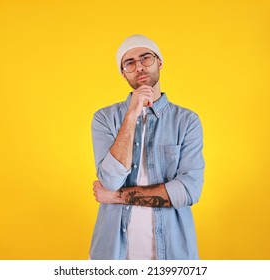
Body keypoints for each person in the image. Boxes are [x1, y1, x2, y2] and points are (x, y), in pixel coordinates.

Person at [89, 34, 205, 260]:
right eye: (129, 63)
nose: (139, 67)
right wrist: (132, 114)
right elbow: (110, 180)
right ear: (123, 73)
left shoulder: (187, 121)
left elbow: (188, 191)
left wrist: (115, 197)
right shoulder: (104, 118)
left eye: (145, 58)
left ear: (159, 62)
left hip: (172, 254)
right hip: (113, 253)